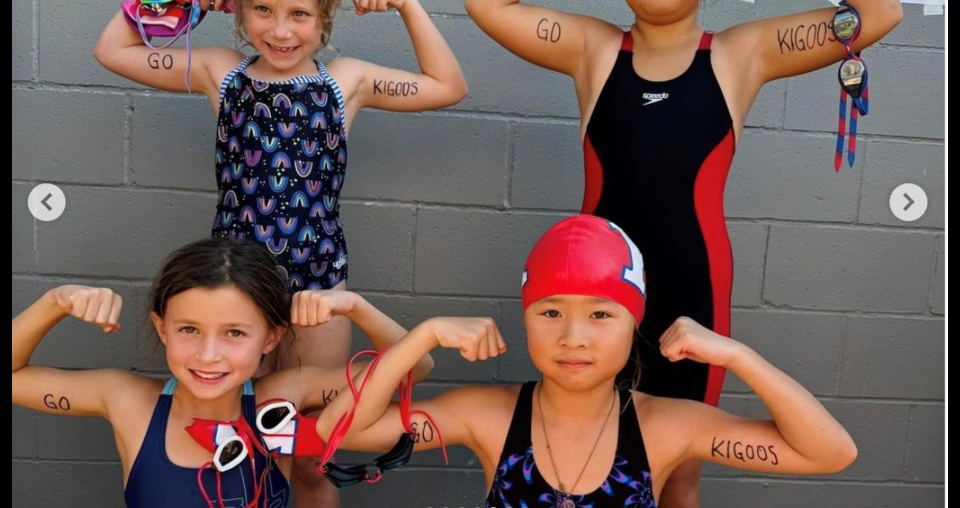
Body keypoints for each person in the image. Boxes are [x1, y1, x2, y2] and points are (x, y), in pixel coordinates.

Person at [464, 0, 899, 505]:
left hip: (692, 289)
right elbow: (488, 4)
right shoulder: (594, 50)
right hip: (595, 293)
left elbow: (875, 14)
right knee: (589, 448)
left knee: (680, 468)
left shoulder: (741, 54)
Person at [93, 0, 467, 504]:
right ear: (238, 9)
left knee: (311, 458)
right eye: (263, 10)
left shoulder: (348, 81)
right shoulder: (222, 71)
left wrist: (407, 4)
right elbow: (113, 49)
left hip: (319, 292)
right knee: (239, 441)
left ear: (327, 13)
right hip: (237, 293)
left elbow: (448, 84)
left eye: (299, 14)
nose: (281, 30)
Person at [338, 214, 857, 507]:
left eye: (602, 315)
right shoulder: (489, 415)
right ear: (525, 317)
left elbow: (830, 454)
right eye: (551, 311)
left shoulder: (668, 426)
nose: (573, 337)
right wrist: (421, 337)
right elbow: (346, 432)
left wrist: (740, 357)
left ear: (635, 325)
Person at [11, 237, 434, 507]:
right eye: (189, 329)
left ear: (270, 338)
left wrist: (359, 309)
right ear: (162, 328)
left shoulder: (282, 398)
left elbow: (415, 369)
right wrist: (54, 302)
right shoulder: (128, 401)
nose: (209, 354)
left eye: (234, 332)